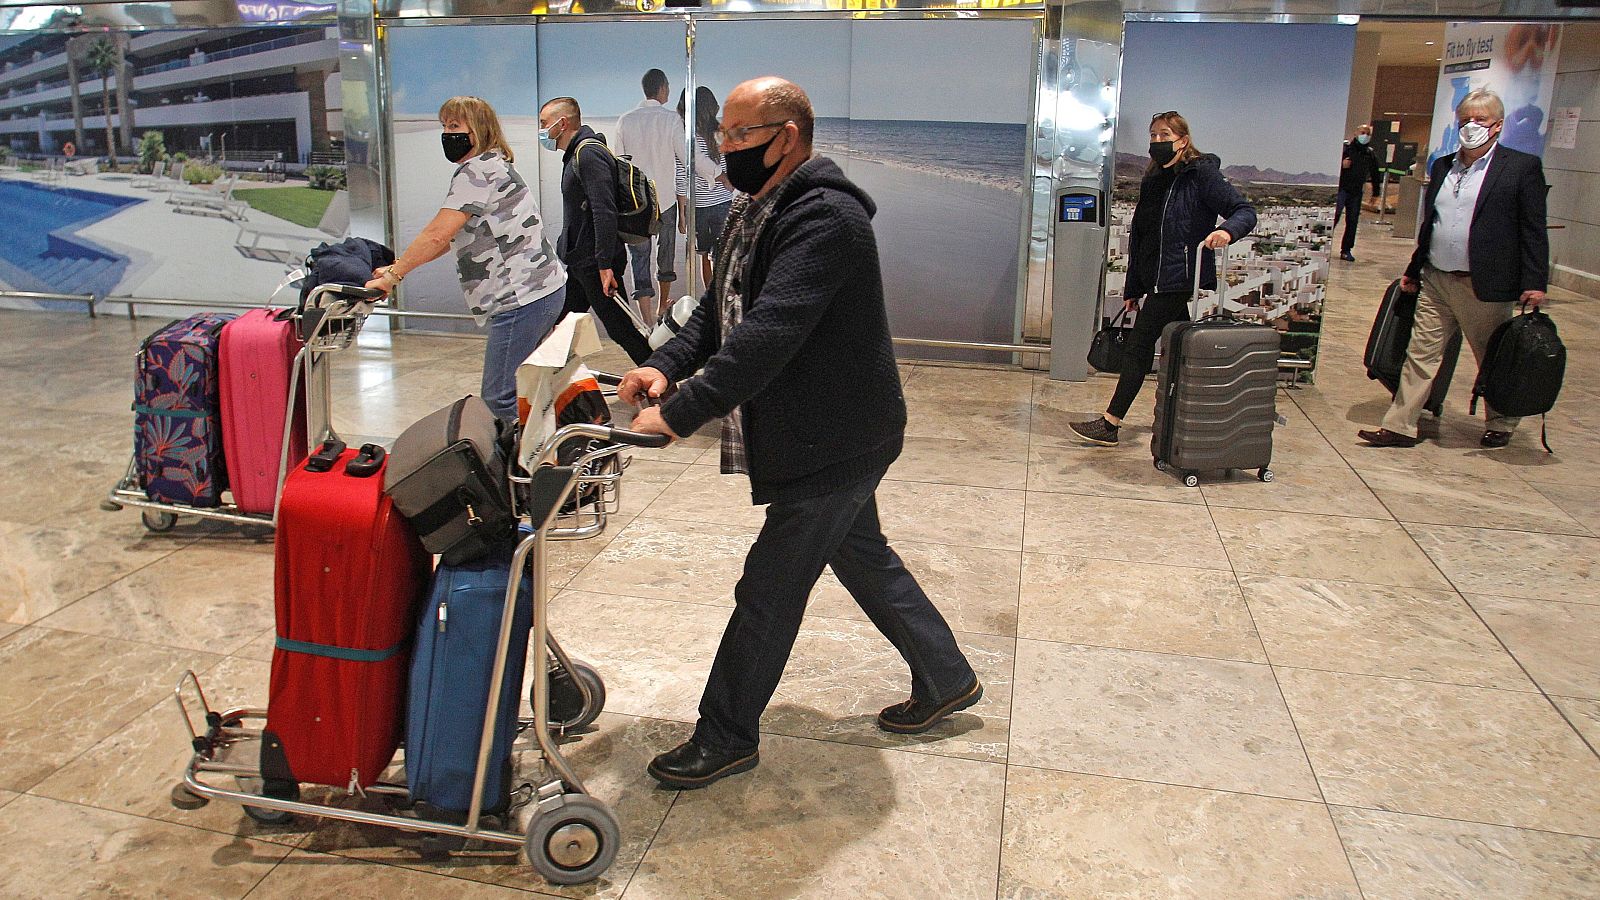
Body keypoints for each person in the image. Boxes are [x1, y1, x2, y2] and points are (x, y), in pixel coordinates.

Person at [619, 76, 980, 790]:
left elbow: (767, 335)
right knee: (864, 557)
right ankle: (947, 676)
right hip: (833, 432)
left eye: (740, 136)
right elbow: (714, 315)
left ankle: (725, 735)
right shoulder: (756, 209)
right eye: (721, 134)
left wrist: (682, 412)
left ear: (787, 136)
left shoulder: (827, 221)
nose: (725, 148)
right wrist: (662, 367)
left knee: (769, 589)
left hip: (838, 438)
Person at [1358, 89, 1548, 450]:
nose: (1471, 127)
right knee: (1421, 353)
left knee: (1490, 355)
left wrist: (1535, 280)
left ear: (1497, 126)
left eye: (1480, 121)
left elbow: (1532, 228)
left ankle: (1501, 422)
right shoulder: (1443, 165)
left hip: (1485, 283)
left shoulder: (1520, 168)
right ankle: (1400, 425)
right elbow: (1432, 223)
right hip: (1437, 277)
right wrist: (1414, 269)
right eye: (1465, 121)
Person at [363, 96, 565, 422]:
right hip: (542, 289)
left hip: (522, 297)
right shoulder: (494, 165)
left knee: (499, 399)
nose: (447, 133)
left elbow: (437, 234)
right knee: (526, 386)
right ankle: (538, 458)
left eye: (455, 126)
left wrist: (392, 276)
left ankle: (517, 469)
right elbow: (454, 235)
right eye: (444, 126)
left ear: (478, 130)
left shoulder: (477, 171)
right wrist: (397, 266)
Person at [1069, 111, 1256, 447]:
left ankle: (1111, 423)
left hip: (1178, 275)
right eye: (1153, 135)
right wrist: (1133, 288)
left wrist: (1226, 231)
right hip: (1153, 278)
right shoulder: (1154, 178)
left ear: (1183, 140)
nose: (1157, 141)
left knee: (1140, 347)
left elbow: (1245, 211)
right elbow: (1142, 236)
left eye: (1164, 135)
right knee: (1183, 349)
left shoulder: (1202, 174)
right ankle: (1200, 414)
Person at [538, 96, 654, 365]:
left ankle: (662, 381)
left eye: (544, 123)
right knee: (560, 323)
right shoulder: (577, 154)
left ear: (562, 123)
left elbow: (605, 210)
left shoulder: (588, 154)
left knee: (621, 329)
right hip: (580, 262)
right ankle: (550, 388)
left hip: (594, 264)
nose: (542, 130)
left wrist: (604, 265)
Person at [613, 68, 683, 327]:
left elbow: (620, 165)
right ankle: (663, 306)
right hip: (665, 199)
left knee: (640, 258)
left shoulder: (625, 119)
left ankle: (646, 320)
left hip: (636, 202)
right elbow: (684, 159)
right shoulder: (672, 119)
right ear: (662, 88)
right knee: (666, 255)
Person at [678, 86, 735, 287]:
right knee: (722, 255)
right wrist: (729, 181)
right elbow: (732, 162)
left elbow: (682, 174)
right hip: (722, 202)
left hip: (699, 205)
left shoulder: (687, 135)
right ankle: (720, 296)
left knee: (705, 256)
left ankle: (711, 298)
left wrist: (682, 210)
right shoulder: (721, 133)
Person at [1335, 124, 1382, 262]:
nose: (1365, 136)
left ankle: (1346, 250)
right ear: (1356, 133)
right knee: (1335, 216)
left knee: (1353, 221)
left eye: (1368, 133)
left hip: (1356, 192)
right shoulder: (1345, 150)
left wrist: (1375, 193)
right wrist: (1341, 165)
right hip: (1342, 189)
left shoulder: (1370, 154)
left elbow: (1375, 173)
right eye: (1363, 132)